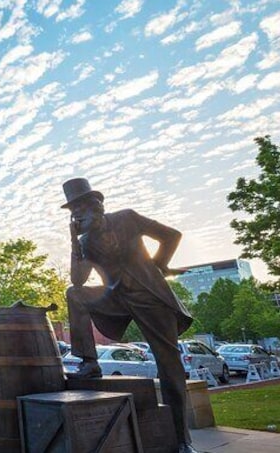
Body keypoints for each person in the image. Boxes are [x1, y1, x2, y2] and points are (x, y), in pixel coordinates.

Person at [61, 177, 199, 453]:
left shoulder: (127, 218)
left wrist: (159, 265)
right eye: (74, 212)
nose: (78, 215)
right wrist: (74, 243)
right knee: (74, 294)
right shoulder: (85, 240)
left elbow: (171, 235)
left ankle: (182, 441)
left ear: (96, 205)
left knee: (169, 365)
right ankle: (89, 362)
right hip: (115, 298)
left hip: (150, 297)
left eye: (81, 208)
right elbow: (78, 280)